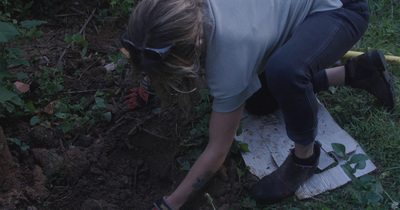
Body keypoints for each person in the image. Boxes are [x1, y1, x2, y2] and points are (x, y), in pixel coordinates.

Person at [119, 0, 396, 209]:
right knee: (260, 100)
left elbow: (217, 150)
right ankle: (359, 72)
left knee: (284, 72)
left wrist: (171, 204)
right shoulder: (175, 10)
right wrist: (147, 88)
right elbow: (152, 42)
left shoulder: (229, 62)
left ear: (196, 45)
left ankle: (305, 157)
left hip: (340, 9)